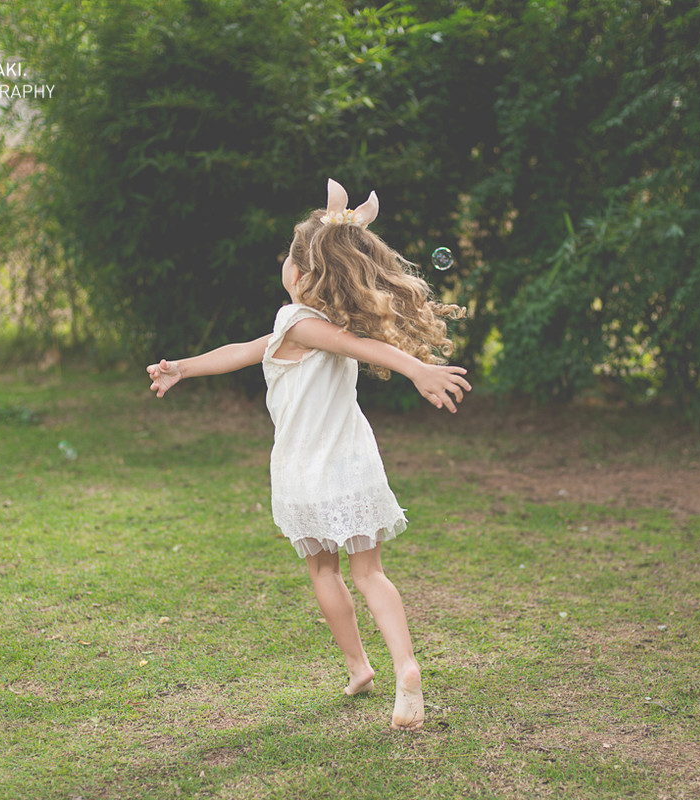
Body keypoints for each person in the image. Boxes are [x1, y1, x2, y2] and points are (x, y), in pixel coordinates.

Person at [147, 179, 470, 730]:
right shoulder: (321, 323)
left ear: (300, 272)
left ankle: (358, 665)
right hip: (353, 465)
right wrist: (185, 366)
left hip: (304, 469)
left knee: (324, 570)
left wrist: (415, 368)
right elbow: (244, 352)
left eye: (287, 258)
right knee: (370, 573)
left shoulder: (293, 320)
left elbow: (337, 350)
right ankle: (405, 667)